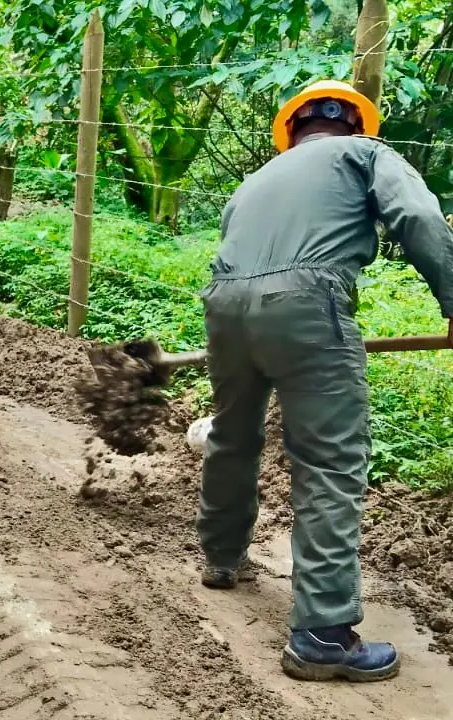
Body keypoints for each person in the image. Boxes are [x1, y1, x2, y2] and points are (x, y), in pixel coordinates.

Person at [196, 79, 453, 683]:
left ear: (291, 131)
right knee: (330, 463)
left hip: (225, 306)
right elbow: (415, 213)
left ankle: (220, 557)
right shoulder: (368, 154)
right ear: (357, 126)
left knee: (233, 435)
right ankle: (321, 635)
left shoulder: (254, 180)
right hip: (308, 302)